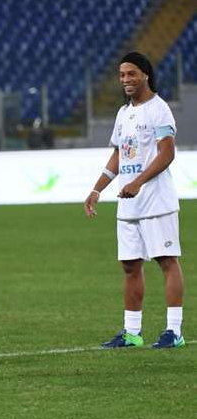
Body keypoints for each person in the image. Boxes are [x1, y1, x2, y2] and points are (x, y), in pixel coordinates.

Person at [84, 52, 185, 349]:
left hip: (155, 200)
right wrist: (97, 189)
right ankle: (132, 333)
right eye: (122, 75)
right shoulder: (123, 113)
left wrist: (138, 182)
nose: (126, 79)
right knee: (130, 266)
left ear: (145, 75)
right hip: (128, 203)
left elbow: (167, 153)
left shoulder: (160, 109)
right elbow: (118, 155)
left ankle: (174, 331)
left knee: (167, 261)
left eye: (131, 74)